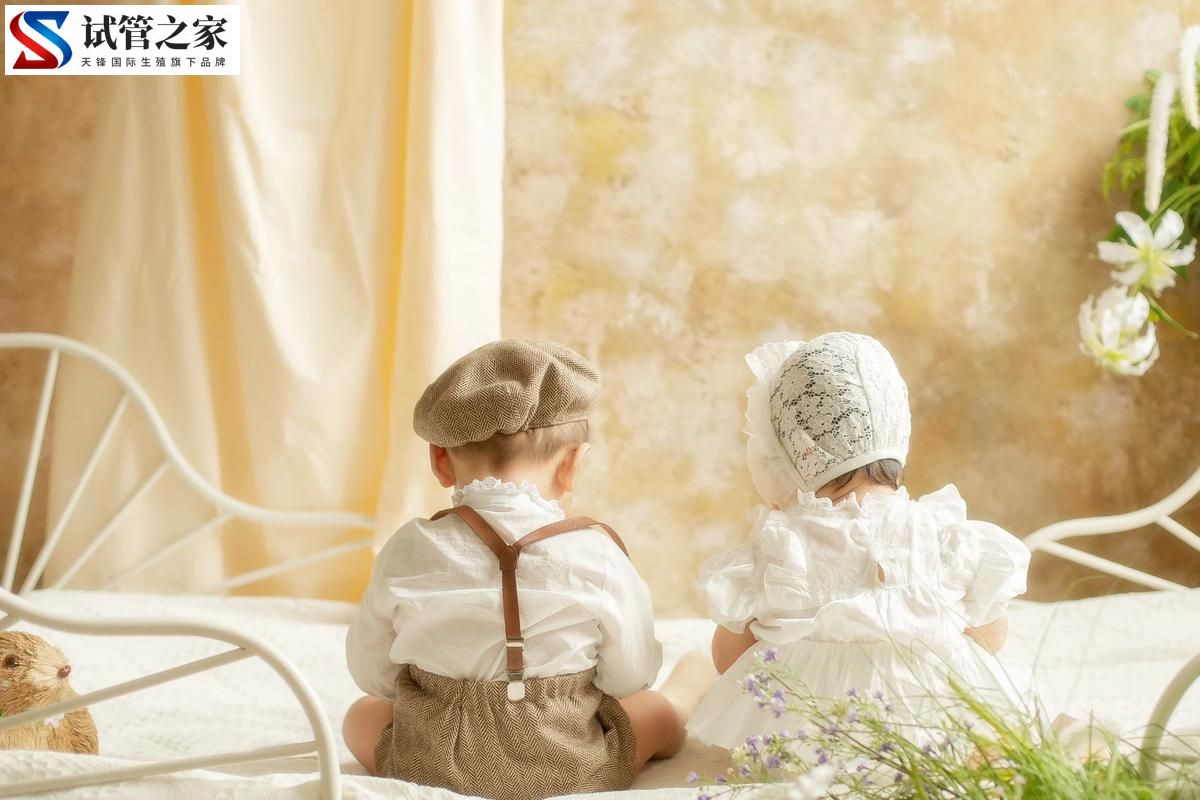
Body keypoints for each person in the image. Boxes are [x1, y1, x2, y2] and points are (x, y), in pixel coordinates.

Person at [343, 338, 712, 800]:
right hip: (568, 764)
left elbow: (372, 673)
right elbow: (629, 676)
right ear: (572, 465)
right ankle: (688, 689)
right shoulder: (596, 553)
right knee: (653, 708)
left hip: (432, 764)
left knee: (361, 714)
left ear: (439, 461)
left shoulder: (407, 547)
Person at [688, 332, 1035, 750]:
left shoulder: (785, 544)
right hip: (935, 737)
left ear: (791, 453)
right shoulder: (940, 532)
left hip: (810, 742)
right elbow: (991, 635)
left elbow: (729, 659)